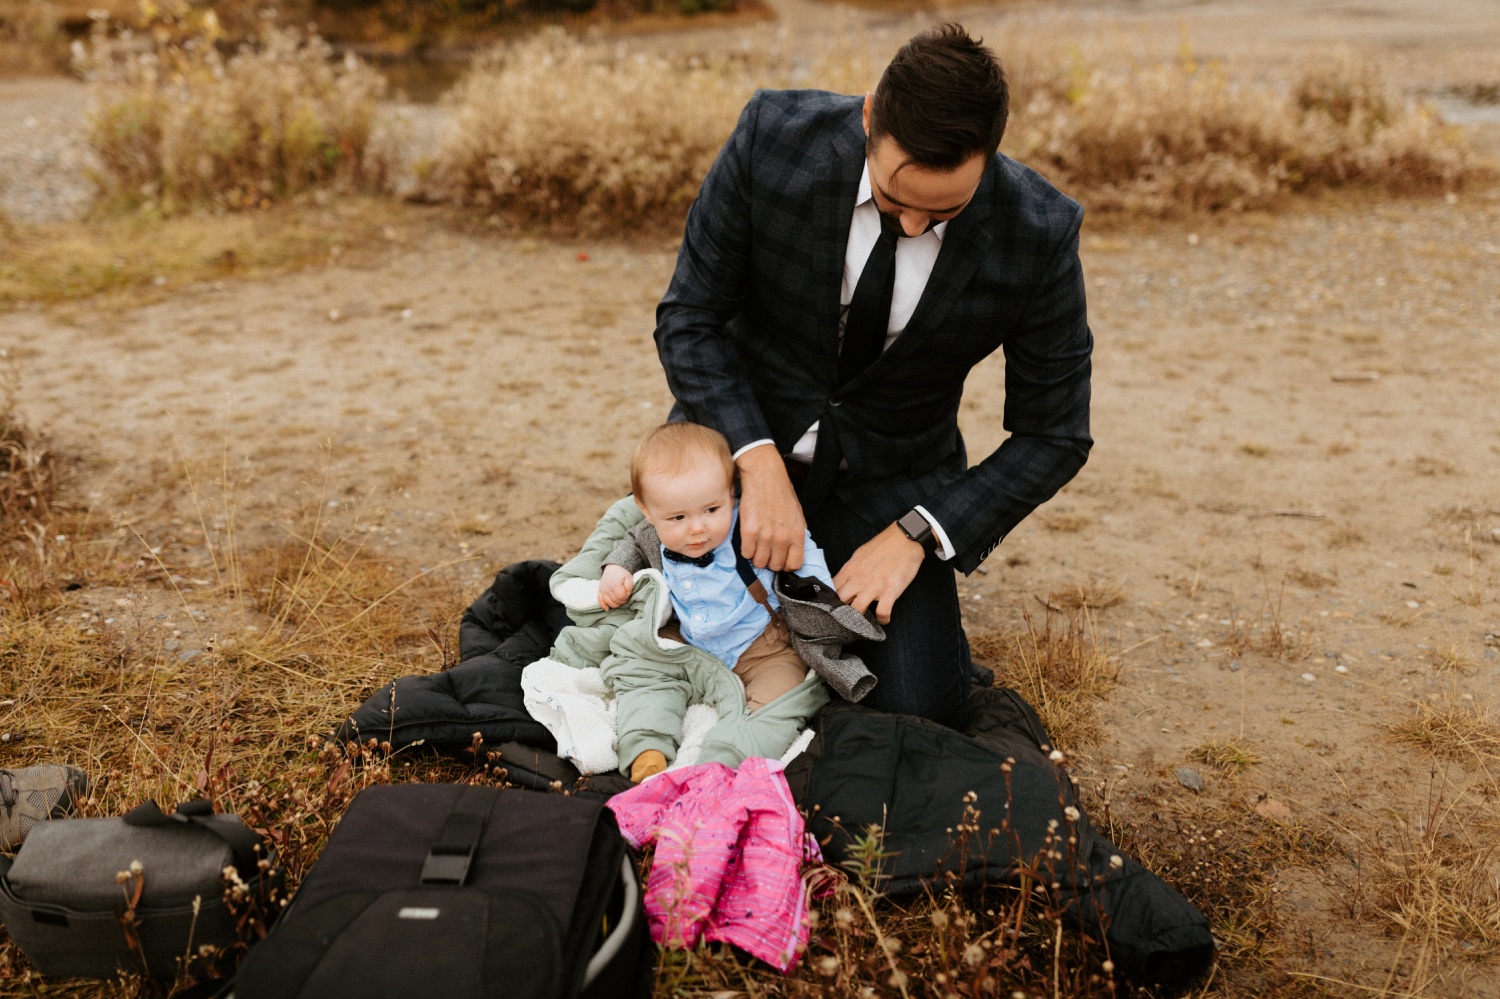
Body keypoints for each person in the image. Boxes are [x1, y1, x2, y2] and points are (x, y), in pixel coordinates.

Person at [654, 24, 1093, 727]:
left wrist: (920, 533)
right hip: (733, 453)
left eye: (944, 211)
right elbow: (689, 317)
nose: (916, 225)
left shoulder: (1038, 232)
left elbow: (1056, 433)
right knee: (654, 653)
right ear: (868, 119)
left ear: (990, 158)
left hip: (891, 478)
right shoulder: (773, 137)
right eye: (895, 200)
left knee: (918, 713)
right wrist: (754, 459)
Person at [570, 422, 878, 782]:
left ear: (731, 494)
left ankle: (722, 761)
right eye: (679, 518)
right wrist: (615, 569)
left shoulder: (749, 522)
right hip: (689, 646)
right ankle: (646, 745)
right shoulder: (650, 530)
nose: (697, 528)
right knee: (644, 676)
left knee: (781, 699)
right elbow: (633, 541)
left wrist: (820, 591)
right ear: (647, 510)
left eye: (711, 509)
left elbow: (801, 547)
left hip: (763, 646)